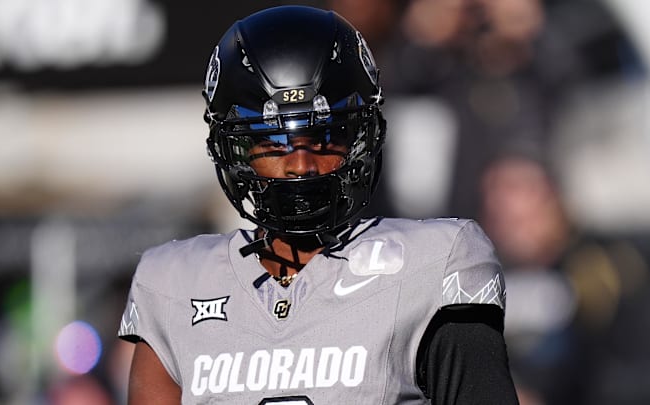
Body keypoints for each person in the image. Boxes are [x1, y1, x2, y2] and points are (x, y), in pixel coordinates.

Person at [118, 5, 518, 404]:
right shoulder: (172, 285)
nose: (301, 166)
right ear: (236, 148)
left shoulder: (435, 263)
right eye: (274, 142)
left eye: (325, 137)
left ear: (360, 137)